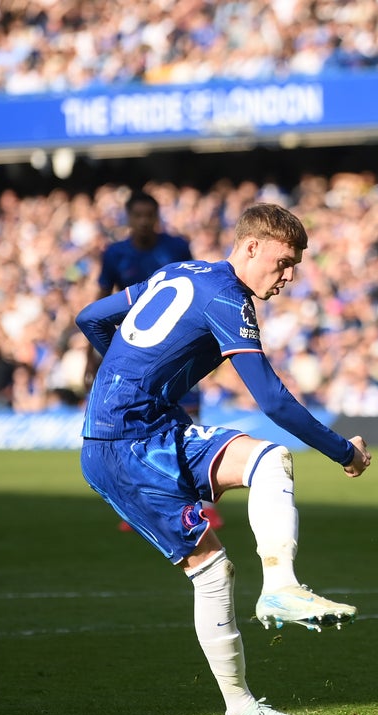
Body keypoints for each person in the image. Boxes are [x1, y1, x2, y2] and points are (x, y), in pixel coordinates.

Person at [76, 203, 372, 715]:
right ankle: (241, 708)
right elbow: (275, 404)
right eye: (283, 262)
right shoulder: (227, 296)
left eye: (295, 267)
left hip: (153, 428)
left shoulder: (180, 271)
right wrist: (344, 453)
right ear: (251, 246)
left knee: (268, 459)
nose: (287, 277)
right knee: (212, 571)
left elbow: (92, 318)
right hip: (122, 447)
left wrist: (133, 375)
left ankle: (281, 584)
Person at [90, 190, 224, 528]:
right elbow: (99, 302)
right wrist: (92, 356)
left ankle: (200, 504)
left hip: (175, 353)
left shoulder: (176, 248)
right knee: (136, 427)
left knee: (187, 423)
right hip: (132, 353)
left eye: (150, 215)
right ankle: (139, 502)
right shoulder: (115, 253)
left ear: (157, 216)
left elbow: (196, 287)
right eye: (138, 215)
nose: (144, 221)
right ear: (128, 218)